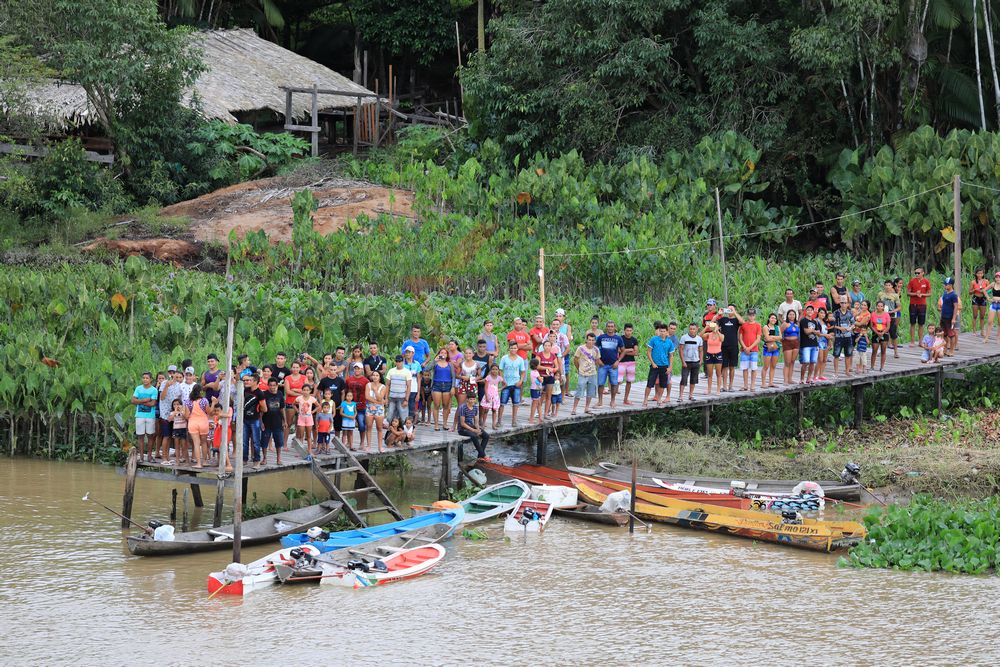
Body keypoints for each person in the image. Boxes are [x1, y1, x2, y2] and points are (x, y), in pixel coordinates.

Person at [643, 322, 675, 405]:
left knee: (662, 384)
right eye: (661, 331)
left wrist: (670, 367)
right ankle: (645, 400)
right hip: (655, 365)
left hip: (664, 365)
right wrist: (652, 363)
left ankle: (659, 399)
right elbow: (648, 352)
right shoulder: (654, 339)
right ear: (659, 331)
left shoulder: (669, 342)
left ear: (667, 332)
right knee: (650, 383)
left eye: (664, 331)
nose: (662, 333)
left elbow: (671, 356)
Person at [595, 321, 624, 407]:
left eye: (612, 326)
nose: (610, 328)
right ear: (606, 327)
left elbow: (623, 350)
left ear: (615, 328)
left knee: (614, 383)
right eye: (608, 326)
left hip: (613, 365)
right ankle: (600, 401)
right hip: (602, 364)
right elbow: (595, 348)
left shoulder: (618, 338)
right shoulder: (601, 337)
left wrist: (618, 361)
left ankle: (613, 401)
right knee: (600, 383)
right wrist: (598, 359)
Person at [498, 342, 527, 426]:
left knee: (515, 403)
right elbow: (500, 369)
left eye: (515, 348)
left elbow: (523, 372)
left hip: (516, 383)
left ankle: (514, 421)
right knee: (502, 403)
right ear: (509, 348)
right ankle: (499, 421)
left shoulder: (520, 359)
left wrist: (521, 381)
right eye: (511, 348)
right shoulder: (504, 358)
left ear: (517, 349)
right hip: (506, 384)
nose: (513, 349)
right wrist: (502, 379)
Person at [131, 372, 158, 463]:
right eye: (143, 378)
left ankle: (149, 456)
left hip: (150, 416)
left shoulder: (154, 390)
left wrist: (139, 401)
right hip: (139, 416)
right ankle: (141, 456)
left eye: (147, 378)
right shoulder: (138, 388)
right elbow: (133, 400)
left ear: (151, 379)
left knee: (150, 436)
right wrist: (145, 400)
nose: (145, 379)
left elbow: (153, 403)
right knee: (140, 436)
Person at [714, 305, 742, 392]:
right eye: (728, 309)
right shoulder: (723, 319)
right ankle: (724, 386)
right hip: (723, 346)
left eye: (731, 309)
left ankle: (731, 386)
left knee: (732, 366)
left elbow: (743, 322)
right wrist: (718, 315)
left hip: (733, 345)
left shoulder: (736, 320)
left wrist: (735, 312)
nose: (729, 311)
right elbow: (711, 324)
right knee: (724, 366)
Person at [571, 333, 600, 415]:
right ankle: (574, 408)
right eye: (589, 340)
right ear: (586, 340)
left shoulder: (596, 350)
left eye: (592, 340)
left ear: (595, 341)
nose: (591, 342)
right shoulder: (580, 348)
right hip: (582, 373)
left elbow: (597, 361)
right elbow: (575, 359)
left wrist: (595, 369)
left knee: (591, 391)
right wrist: (579, 368)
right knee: (579, 389)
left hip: (592, 373)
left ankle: (587, 408)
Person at [157, 366, 181, 462]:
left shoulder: (178, 385)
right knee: (166, 436)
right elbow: (162, 398)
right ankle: (164, 457)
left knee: (171, 436)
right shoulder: (164, 383)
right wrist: (167, 386)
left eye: (174, 372)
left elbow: (178, 399)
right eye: (170, 372)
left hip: (173, 414)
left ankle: (167, 456)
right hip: (165, 414)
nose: (172, 373)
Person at [183, 383, 209, 469]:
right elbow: (208, 412)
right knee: (204, 442)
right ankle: (204, 461)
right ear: (201, 392)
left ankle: (198, 463)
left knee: (196, 443)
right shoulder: (204, 401)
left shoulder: (188, 402)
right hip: (203, 422)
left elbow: (186, 416)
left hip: (193, 423)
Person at [260, 377, 285, 465]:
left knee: (278, 441)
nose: (272, 387)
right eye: (270, 385)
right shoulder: (264, 394)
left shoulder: (280, 394)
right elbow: (261, 410)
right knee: (264, 441)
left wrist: (284, 420)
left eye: (274, 385)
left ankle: (278, 459)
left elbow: (282, 408)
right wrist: (261, 422)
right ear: (268, 386)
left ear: (277, 385)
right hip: (266, 422)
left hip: (277, 421)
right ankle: (264, 458)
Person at [456, 394, 490, 459]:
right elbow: (462, 423)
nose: (472, 401)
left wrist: (477, 429)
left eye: (473, 399)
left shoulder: (475, 407)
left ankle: (480, 456)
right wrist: (474, 430)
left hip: (471, 426)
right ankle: (483, 455)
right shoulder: (463, 407)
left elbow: (476, 422)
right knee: (474, 436)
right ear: (467, 400)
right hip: (462, 429)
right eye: (470, 399)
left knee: (486, 436)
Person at [241, 374, 264, 467]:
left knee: (256, 441)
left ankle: (257, 460)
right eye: (246, 380)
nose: (247, 382)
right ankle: (244, 459)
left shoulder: (260, 393)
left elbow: (265, 408)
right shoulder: (245, 390)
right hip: (245, 419)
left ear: (255, 382)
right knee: (244, 441)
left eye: (249, 380)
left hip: (255, 419)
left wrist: (257, 409)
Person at [345, 363, 370, 448]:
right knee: (349, 425)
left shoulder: (366, 381)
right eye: (355, 368)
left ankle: (362, 442)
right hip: (350, 405)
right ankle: (349, 442)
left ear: (362, 370)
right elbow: (346, 391)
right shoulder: (349, 380)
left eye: (358, 368)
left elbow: (368, 393)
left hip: (361, 405)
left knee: (361, 425)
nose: (357, 370)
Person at [738, 308, 762, 392]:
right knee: (745, 368)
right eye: (749, 315)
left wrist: (750, 348)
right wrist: (745, 347)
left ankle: (752, 385)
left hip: (754, 350)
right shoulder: (743, 325)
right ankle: (745, 385)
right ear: (747, 315)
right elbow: (740, 338)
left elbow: (758, 339)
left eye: (753, 315)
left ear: (755, 316)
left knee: (754, 368)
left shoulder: (758, 325)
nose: (751, 317)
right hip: (744, 350)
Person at [429, 351, 454, 431]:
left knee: (445, 405)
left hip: (447, 385)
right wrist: (434, 361)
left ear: (447, 355)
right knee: (436, 405)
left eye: (445, 353)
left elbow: (453, 377)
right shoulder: (436, 363)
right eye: (441, 352)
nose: (443, 354)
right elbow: (426, 369)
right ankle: (436, 424)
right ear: (439, 354)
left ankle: (445, 423)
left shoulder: (450, 364)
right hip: (437, 385)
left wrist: (453, 387)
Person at [678, 322, 703, 401]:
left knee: (693, 379)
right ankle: (680, 396)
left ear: (697, 329)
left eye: (693, 329)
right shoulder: (684, 337)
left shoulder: (699, 339)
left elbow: (701, 350)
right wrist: (683, 361)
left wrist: (701, 360)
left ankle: (691, 395)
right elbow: (681, 350)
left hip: (696, 361)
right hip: (686, 362)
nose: (692, 330)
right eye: (691, 329)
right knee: (684, 378)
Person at [385, 355, 413, 424]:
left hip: (402, 398)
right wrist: (386, 398)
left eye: (400, 361)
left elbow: (409, 386)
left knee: (404, 419)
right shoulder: (391, 371)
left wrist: (406, 399)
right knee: (389, 417)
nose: (398, 363)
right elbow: (387, 385)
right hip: (392, 398)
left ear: (403, 362)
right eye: (397, 361)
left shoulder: (407, 372)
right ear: (395, 362)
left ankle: (404, 433)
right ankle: (391, 432)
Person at [831, 299, 855, 377]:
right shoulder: (836, 313)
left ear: (847, 304)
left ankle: (847, 371)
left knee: (848, 355)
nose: (843, 304)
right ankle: (836, 372)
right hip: (838, 336)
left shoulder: (850, 313)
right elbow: (832, 325)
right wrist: (839, 328)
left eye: (845, 303)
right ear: (840, 304)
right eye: (842, 303)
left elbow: (853, 323)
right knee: (836, 355)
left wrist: (850, 328)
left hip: (848, 336)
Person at [907, 267, 931, 344]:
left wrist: (922, 294)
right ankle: (912, 341)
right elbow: (908, 293)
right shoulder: (912, 281)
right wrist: (915, 294)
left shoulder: (926, 282)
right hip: (913, 305)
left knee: (921, 324)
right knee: (912, 323)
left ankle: (920, 341)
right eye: (915, 273)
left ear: (923, 273)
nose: (917, 274)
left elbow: (929, 293)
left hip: (922, 305)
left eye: (918, 273)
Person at [938, 277, 961, 356]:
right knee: (944, 334)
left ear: (951, 285)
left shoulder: (954, 295)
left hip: (950, 317)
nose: (945, 286)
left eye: (946, 284)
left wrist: (954, 318)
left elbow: (956, 307)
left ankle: (951, 350)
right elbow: (943, 305)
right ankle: (944, 349)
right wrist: (941, 316)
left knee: (951, 334)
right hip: (943, 317)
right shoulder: (945, 293)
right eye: (944, 284)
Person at [878, 279, 901, 359]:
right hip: (882, 317)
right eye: (886, 285)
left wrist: (892, 311)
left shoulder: (895, 295)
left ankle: (896, 352)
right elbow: (878, 304)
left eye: (889, 285)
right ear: (884, 286)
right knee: (882, 333)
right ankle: (881, 351)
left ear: (892, 286)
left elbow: (899, 307)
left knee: (893, 334)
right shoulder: (881, 294)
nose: (887, 287)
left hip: (891, 317)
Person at [366, 371, 388, 451]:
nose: (375, 377)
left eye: (377, 375)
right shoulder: (368, 385)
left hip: (379, 409)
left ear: (379, 377)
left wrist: (375, 390)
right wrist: (378, 402)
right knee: (369, 427)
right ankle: (368, 445)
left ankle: (380, 446)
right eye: (373, 375)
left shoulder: (383, 387)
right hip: (369, 408)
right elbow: (367, 397)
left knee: (379, 427)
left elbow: (380, 397)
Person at [295, 383, 318, 457]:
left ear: (310, 391)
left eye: (307, 390)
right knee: (301, 436)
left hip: (309, 418)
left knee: (308, 436)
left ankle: (309, 450)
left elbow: (318, 406)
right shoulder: (299, 398)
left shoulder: (312, 398)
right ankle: (300, 451)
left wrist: (312, 412)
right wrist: (297, 410)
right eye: (304, 390)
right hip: (301, 418)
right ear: (302, 391)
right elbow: (293, 404)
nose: (305, 391)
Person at [798, 306, 820, 383]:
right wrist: (814, 331)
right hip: (805, 344)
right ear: (805, 311)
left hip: (814, 344)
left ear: (813, 312)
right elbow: (806, 332)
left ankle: (809, 378)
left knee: (812, 362)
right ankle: (801, 378)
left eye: (811, 310)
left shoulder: (815, 321)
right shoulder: (803, 321)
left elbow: (818, 333)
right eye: (808, 310)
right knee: (805, 362)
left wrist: (812, 331)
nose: (810, 311)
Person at [618, 323, 639, 405]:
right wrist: (628, 350)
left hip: (631, 363)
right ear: (624, 331)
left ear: (632, 331)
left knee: (629, 381)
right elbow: (618, 350)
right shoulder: (620, 339)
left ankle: (626, 399)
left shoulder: (634, 340)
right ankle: (613, 399)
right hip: (621, 362)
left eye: (630, 330)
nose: (629, 332)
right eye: (627, 330)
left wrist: (624, 351)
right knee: (618, 381)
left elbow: (636, 353)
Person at [283, 361, 306, 430]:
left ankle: (298, 440)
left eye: (297, 367)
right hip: (290, 402)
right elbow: (288, 391)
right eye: (293, 367)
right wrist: (300, 393)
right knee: (288, 423)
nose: (295, 369)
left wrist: (295, 389)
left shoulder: (304, 377)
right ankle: (284, 441)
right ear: (291, 368)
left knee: (299, 424)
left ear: (300, 368)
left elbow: (306, 391)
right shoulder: (287, 378)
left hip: (301, 403)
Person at [869, 300, 891, 372]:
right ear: (876, 306)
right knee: (874, 350)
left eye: (881, 306)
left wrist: (883, 332)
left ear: (883, 307)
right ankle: (872, 367)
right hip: (875, 333)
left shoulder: (886, 315)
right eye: (878, 306)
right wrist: (877, 332)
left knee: (883, 350)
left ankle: (882, 367)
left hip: (884, 333)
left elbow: (888, 326)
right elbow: (871, 326)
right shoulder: (873, 314)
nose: (879, 307)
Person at [760, 314, 781, 388]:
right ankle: (763, 383)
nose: (774, 319)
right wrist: (775, 338)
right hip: (767, 349)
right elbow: (767, 338)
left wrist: (771, 337)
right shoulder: (766, 327)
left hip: (776, 348)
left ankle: (771, 382)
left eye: (775, 318)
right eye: (772, 318)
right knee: (766, 366)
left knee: (773, 366)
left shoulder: (777, 327)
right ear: (769, 318)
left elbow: (780, 337)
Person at [780, 310, 799, 385]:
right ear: (787, 315)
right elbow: (779, 333)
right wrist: (783, 342)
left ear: (795, 316)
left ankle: (790, 379)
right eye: (790, 314)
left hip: (796, 343)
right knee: (787, 362)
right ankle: (785, 380)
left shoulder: (797, 324)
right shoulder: (785, 324)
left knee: (792, 361)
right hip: (787, 343)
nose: (792, 316)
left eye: (793, 314)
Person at [481, 364, 502, 428]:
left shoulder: (499, 378)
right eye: (493, 369)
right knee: (486, 410)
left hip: (495, 396)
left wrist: (500, 389)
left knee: (494, 410)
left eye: (496, 369)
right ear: (490, 370)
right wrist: (486, 396)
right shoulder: (488, 377)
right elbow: (485, 387)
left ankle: (494, 424)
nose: (494, 371)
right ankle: (483, 424)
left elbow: (505, 384)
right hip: (488, 395)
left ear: (498, 370)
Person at [970, 269, 990, 337]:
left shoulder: (986, 281)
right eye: (978, 273)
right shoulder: (973, 282)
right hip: (975, 298)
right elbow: (970, 292)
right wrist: (975, 290)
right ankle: (974, 331)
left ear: (983, 274)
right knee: (975, 316)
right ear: (976, 274)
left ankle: (982, 331)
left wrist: (984, 291)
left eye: (981, 273)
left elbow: (990, 290)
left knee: (982, 316)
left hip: (983, 299)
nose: (980, 275)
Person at [815, 308, 833, 381]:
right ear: (818, 313)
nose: (822, 314)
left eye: (824, 313)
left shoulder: (825, 322)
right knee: (820, 359)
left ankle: (821, 375)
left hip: (825, 341)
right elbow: (818, 333)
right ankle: (815, 376)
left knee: (825, 359)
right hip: (819, 341)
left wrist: (830, 341)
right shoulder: (816, 321)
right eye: (821, 313)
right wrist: (826, 336)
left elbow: (828, 333)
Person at [169, 398, 188, 466]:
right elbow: (169, 419)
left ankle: (186, 461)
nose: (176, 406)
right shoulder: (172, 412)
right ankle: (177, 461)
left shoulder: (183, 411)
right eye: (174, 404)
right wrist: (175, 412)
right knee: (177, 446)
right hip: (176, 430)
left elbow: (186, 417)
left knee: (184, 446)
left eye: (178, 404)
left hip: (183, 429)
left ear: (181, 405)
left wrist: (182, 411)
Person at [854, 301, 871, 373]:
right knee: (857, 350)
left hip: (862, 332)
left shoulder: (867, 315)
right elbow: (854, 317)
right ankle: (857, 367)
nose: (863, 306)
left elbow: (861, 323)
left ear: (867, 307)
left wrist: (853, 322)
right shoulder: (860, 312)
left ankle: (861, 367)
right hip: (856, 331)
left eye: (864, 305)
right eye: (862, 305)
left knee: (862, 351)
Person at [528, 358, 543, 424]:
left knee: (538, 403)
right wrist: (542, 378)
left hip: (536, 389)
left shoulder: (532, 372)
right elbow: (541, 380)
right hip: (535, 389)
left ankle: (540, 417)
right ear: (537, 365)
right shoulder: (536, 373)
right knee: (535, 404)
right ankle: (531, 419)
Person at [986, 272, 1000, 343]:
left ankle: (998, 338)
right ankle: (986, 338)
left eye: (999, 277)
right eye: (996, 277)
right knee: (990, 321)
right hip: (994, 304)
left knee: (999, 322)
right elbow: (984, 290)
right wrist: (988, 298)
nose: (998, 278)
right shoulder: (993, 284)